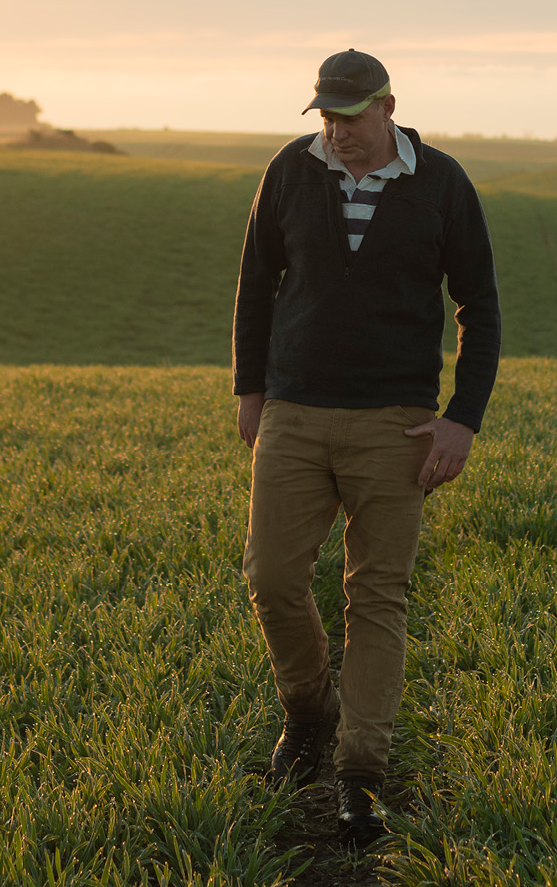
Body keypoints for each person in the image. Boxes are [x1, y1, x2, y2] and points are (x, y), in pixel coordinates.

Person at [232, 48, 501, 845]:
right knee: (272, 577)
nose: (339, 131)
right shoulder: (290, 170)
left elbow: (479, 306)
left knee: (377, 596)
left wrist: (462, 419)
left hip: (397, 420)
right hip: (296, 409)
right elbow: (255, 281)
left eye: (352, 116)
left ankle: (359, 775)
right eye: (327, 115)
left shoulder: (442, 183)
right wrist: (252, 390)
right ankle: (309, 712)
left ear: (389, 107)